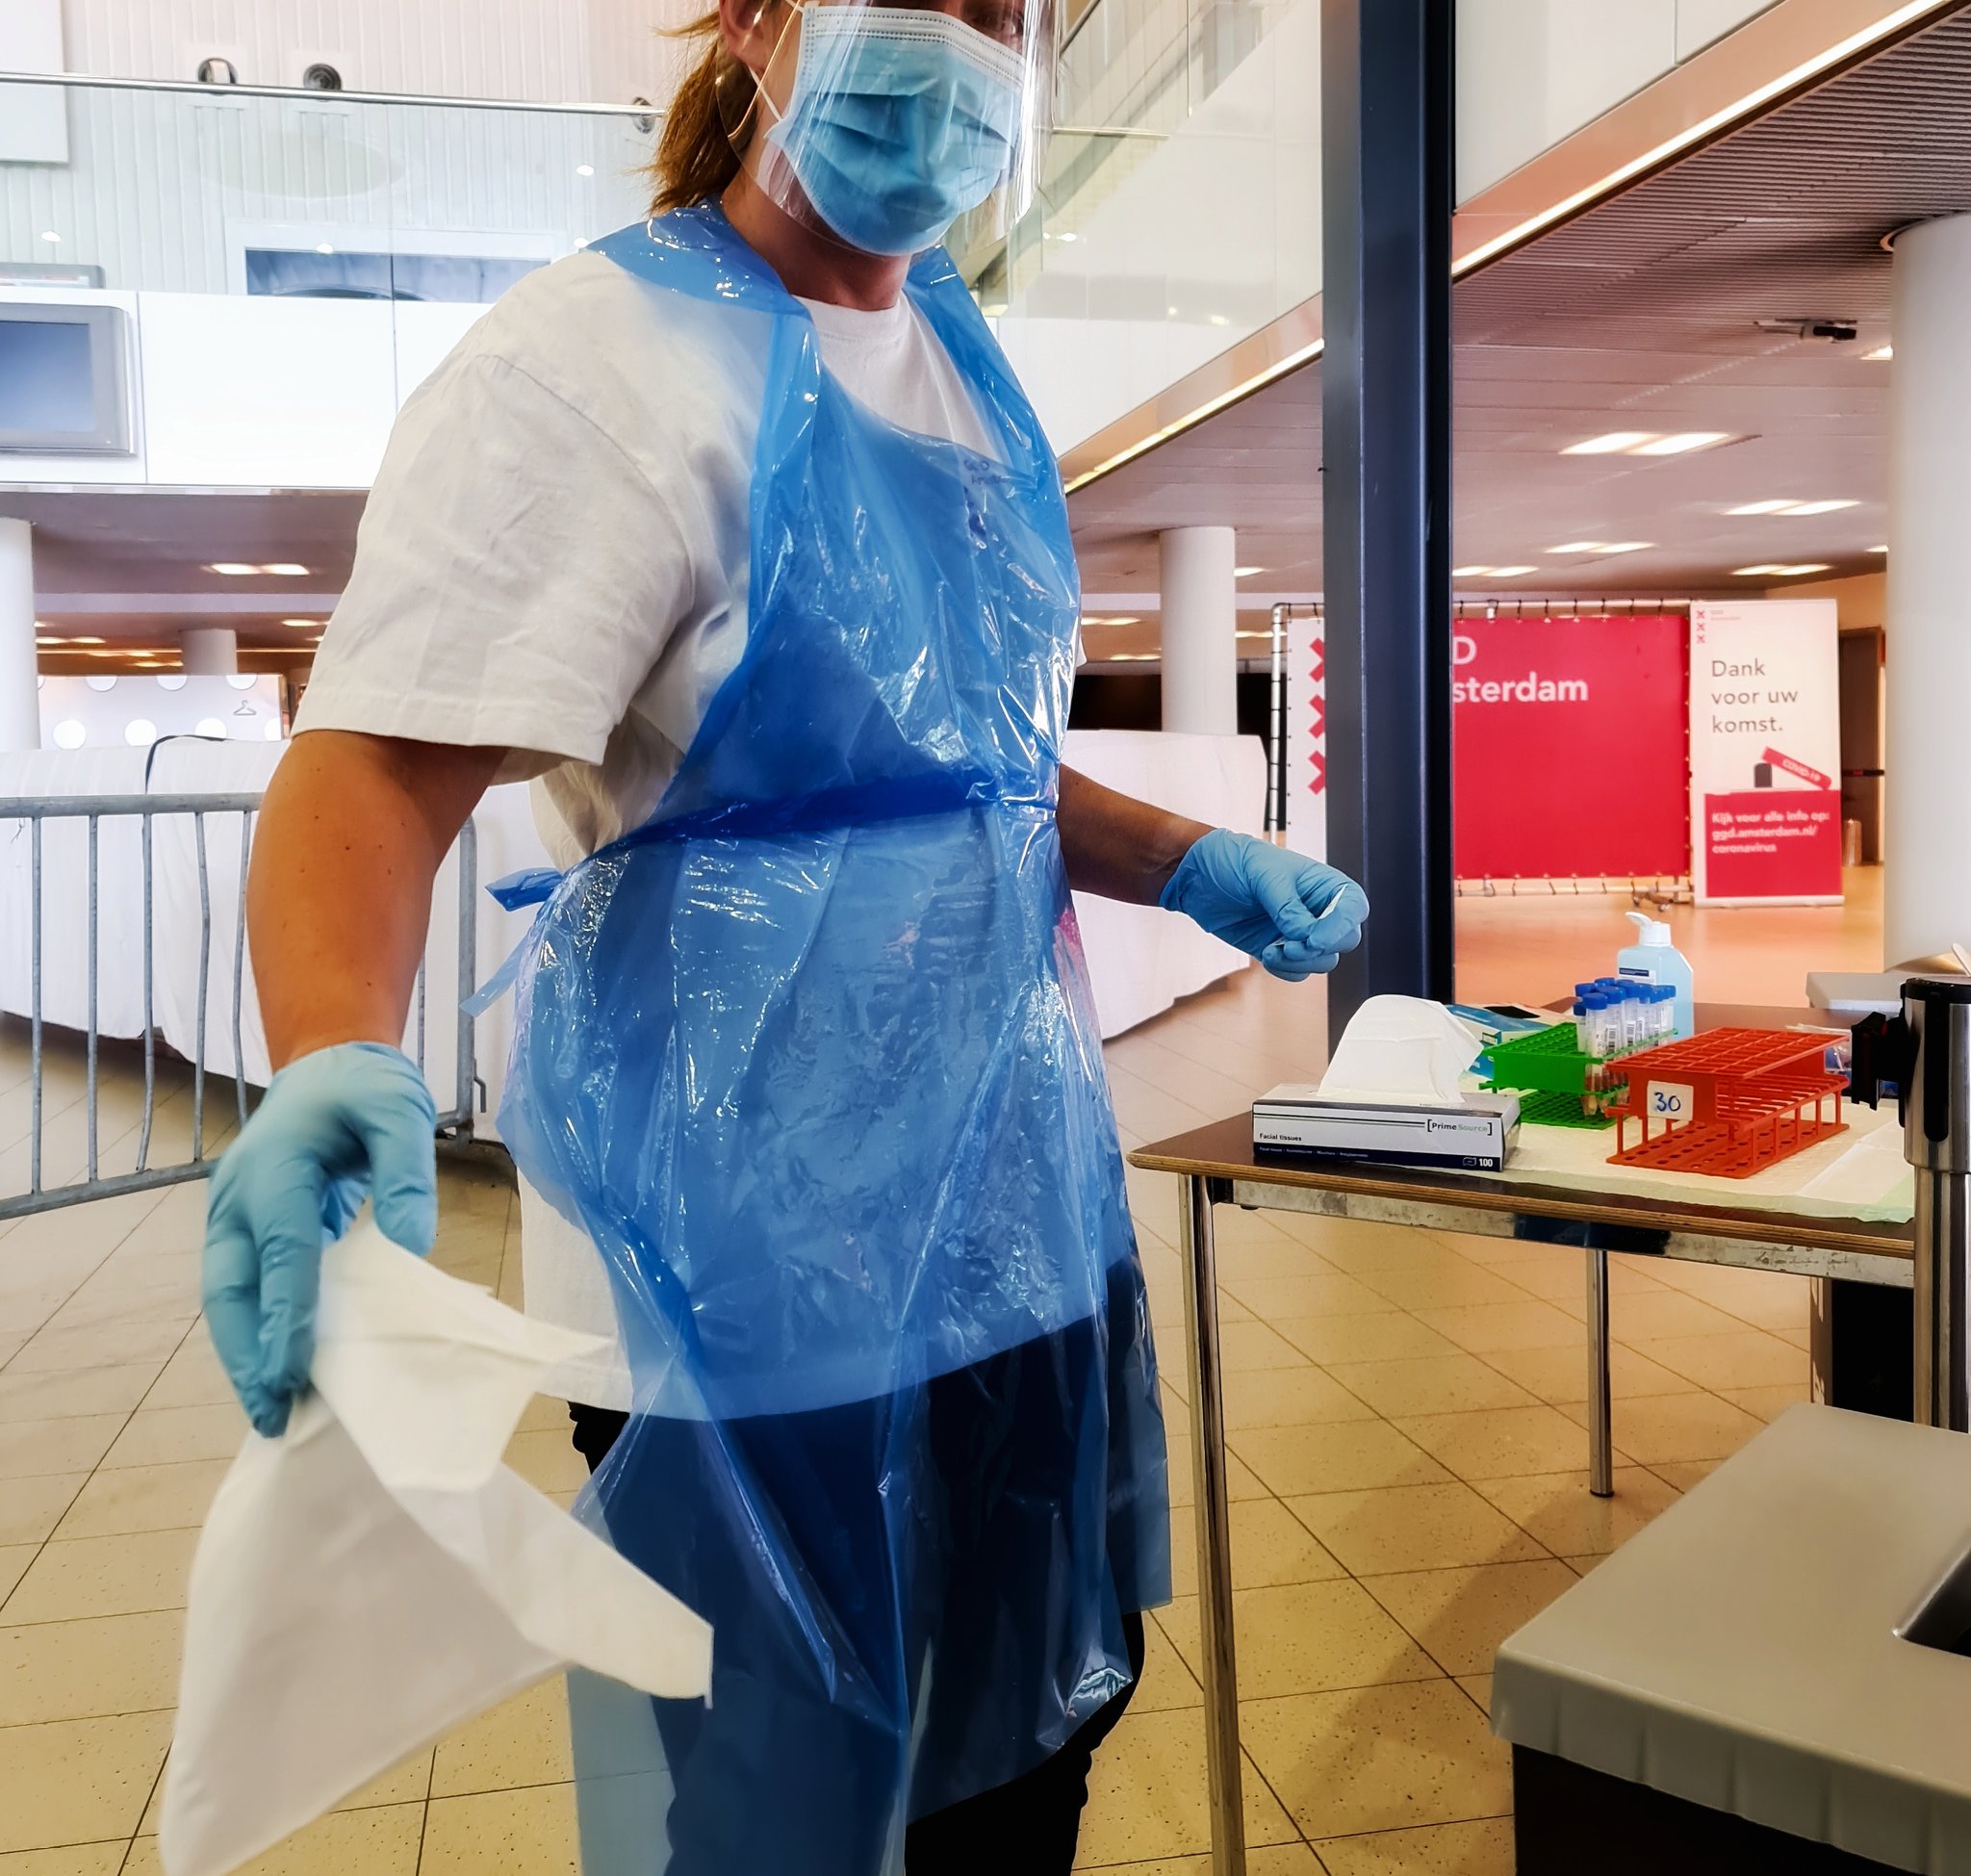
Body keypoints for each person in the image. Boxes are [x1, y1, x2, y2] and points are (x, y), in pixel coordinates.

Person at [201, 0, 1368, 1867]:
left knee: (1031, 1768)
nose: (962, 45)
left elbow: (956, 772)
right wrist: (332, 1043)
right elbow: (378, 768)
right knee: (785, 1814)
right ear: (753, 22)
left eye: (1002, 11)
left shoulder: (961, 358)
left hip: (1019, 1251)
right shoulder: (596, 364)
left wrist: (1189, 860)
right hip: (738, 1314)